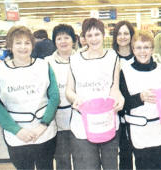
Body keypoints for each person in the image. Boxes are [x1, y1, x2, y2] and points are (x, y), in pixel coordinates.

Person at [0, 26, 59, 170]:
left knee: (46, 166)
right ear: (10, 45)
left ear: (32, 45)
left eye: (27, 43)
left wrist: (43, 125)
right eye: (18, 43)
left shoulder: (44, 66)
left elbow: (54, 97)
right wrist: (16, 130)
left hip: (44, 131)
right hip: (16, 134)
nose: (23, 47)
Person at [65, 18, 124, 170]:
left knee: (111, 165)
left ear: (103, 35)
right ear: (83, 38)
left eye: (97, 34)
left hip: (107, 121)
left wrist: (119, 99)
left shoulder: (113, 57)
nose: (93, 39)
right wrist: (75, 98)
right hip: (82, 123)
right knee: (87, 166)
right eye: (89, 35)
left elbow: (114, 87)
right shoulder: (75, 60)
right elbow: (69, 90)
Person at [120, 30, 161, 170]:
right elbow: (122, 104)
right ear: (132, 49)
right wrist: (140, 97)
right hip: (139, 131)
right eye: (138, 47)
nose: (142, 51)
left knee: (160, 166)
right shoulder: (125, 71)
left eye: (146, 47)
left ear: (152, 49)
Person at [45, 24, 76, 170]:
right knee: (62, 158)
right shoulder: (47, 63)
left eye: (66, 37)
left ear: (73, 40)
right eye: (59, 38)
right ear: (54, 41)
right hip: (58, 119)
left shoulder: (82, 59)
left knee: (82, 157)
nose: (63, 41)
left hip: (80, 118)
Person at [112, 20, 135, 170]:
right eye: (119, 33)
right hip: (116, 113)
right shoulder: (110, 57)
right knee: (123, 151)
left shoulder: (139, 55)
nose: (123, 37)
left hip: (136, 109)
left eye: (126, 33)